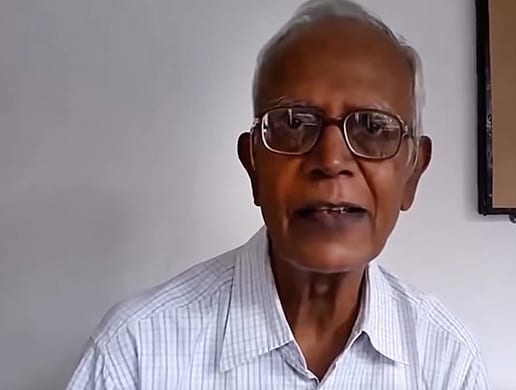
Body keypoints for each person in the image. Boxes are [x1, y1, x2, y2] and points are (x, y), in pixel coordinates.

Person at [66, 0, 489, 388]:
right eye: (293, 122)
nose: (331, 159)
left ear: (412, 172)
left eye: (373, 128)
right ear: (253, 164)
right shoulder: (136, 354)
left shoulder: (446, 362)